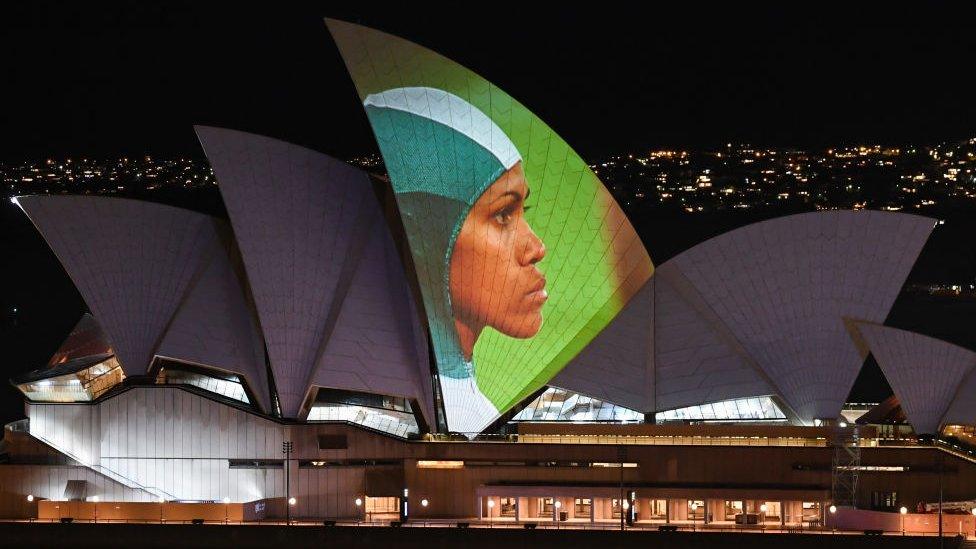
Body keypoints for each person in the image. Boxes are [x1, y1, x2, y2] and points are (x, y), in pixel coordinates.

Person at [363, 87, 546, 433]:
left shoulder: (478, 407)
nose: (537, 248)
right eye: (504, 214)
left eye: (525, 210)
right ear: (432, 238)